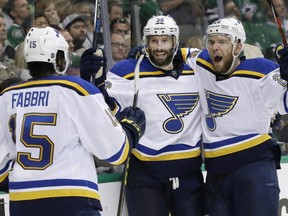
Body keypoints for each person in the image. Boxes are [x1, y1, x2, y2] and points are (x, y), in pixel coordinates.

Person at [0, 26, 146, 216]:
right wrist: (130, 129)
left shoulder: (6, 96)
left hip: (24, 201)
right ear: (59, 58)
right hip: (72, 198)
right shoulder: (77, 90)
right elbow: (115, 151)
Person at [80, 15, 205, 216]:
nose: (159, 47)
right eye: (154, 41)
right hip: (144, 174)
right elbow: (106, 113)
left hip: (188, 173)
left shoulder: (196, 69)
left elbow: (213, 60)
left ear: (175, 41)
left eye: (165, 40)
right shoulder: (128, 71)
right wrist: (94, 83)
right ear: (145, 42)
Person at [185, 17, 287, 216]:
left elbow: (286, 105)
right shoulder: (201, 64)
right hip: (216, 174)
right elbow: (174, 54)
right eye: (212, 42)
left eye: (222, 42)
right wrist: (142, 57)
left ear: (238, 46)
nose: (215, 47)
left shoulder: (262, 72)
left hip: (254, 170)